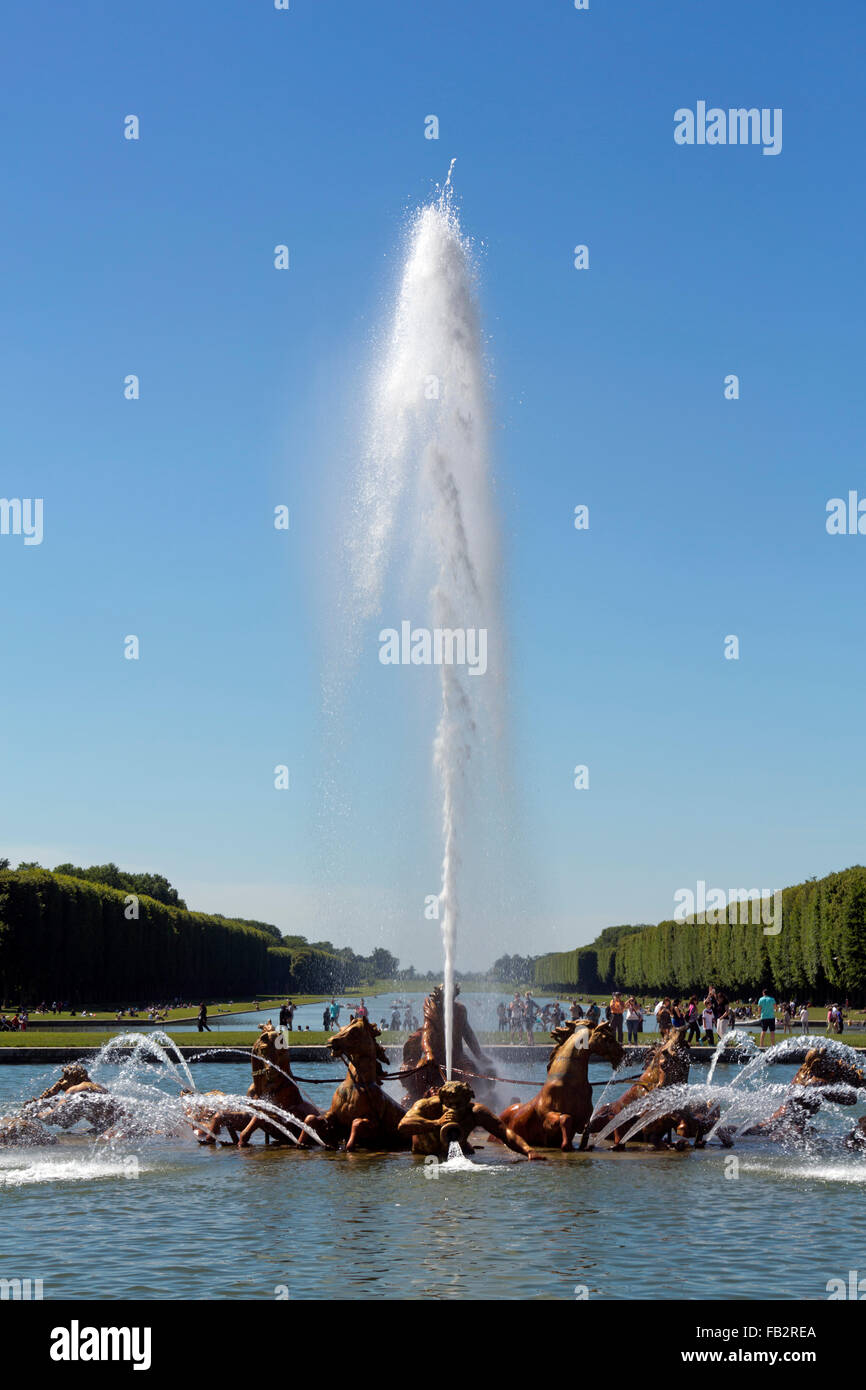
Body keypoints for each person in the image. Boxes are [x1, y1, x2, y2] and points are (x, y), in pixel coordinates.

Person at [397, 1080, 544, 1161]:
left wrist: (529, 1151)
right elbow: (403, 1125)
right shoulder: (428, 1106)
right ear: (441, 1100)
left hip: (456, 1159)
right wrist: (436, 1123)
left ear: (468, 1101)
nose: (453, 1108)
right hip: (424, 1157)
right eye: (449, 1104)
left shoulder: (475, 1112)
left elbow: (505, 1132)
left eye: (459, 1104)